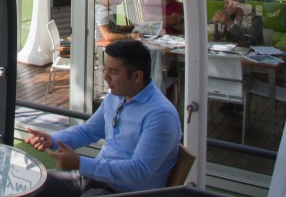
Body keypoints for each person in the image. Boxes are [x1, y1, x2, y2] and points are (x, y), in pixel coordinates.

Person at [26, 40, 182, 196]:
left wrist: (80, 163)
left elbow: (138, 171)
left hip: (124, 191)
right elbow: (89, 131)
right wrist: (52, 139)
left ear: (137, 76)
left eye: (113, 72)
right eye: (107, 70)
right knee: (32, 184)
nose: (106, 77)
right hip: (96, 178)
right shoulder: (117, 96)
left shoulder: (160, 115)